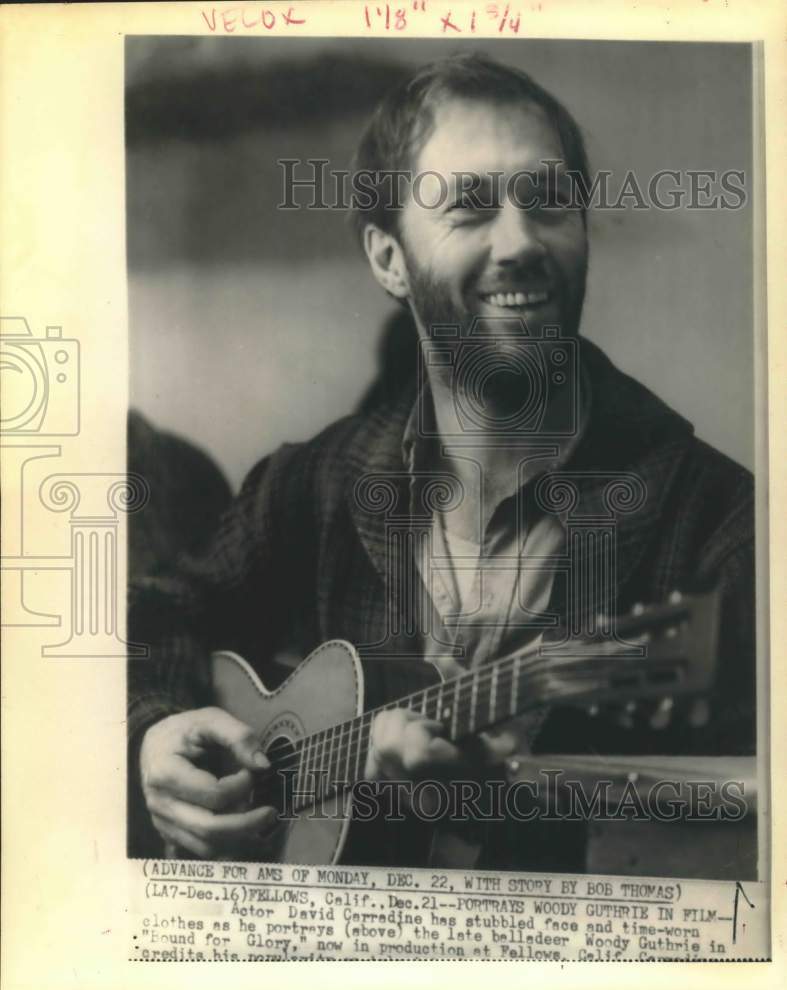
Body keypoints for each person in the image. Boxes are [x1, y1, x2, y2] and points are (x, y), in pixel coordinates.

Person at [128, 54, 755, 868]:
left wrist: (514, 795)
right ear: (388, 259)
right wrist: (154, 732)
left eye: (547, 201)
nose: (521, 242)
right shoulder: (311, 483)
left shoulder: (719, 528)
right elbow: (156, 618)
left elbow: (743, 827)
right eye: (469, 207)